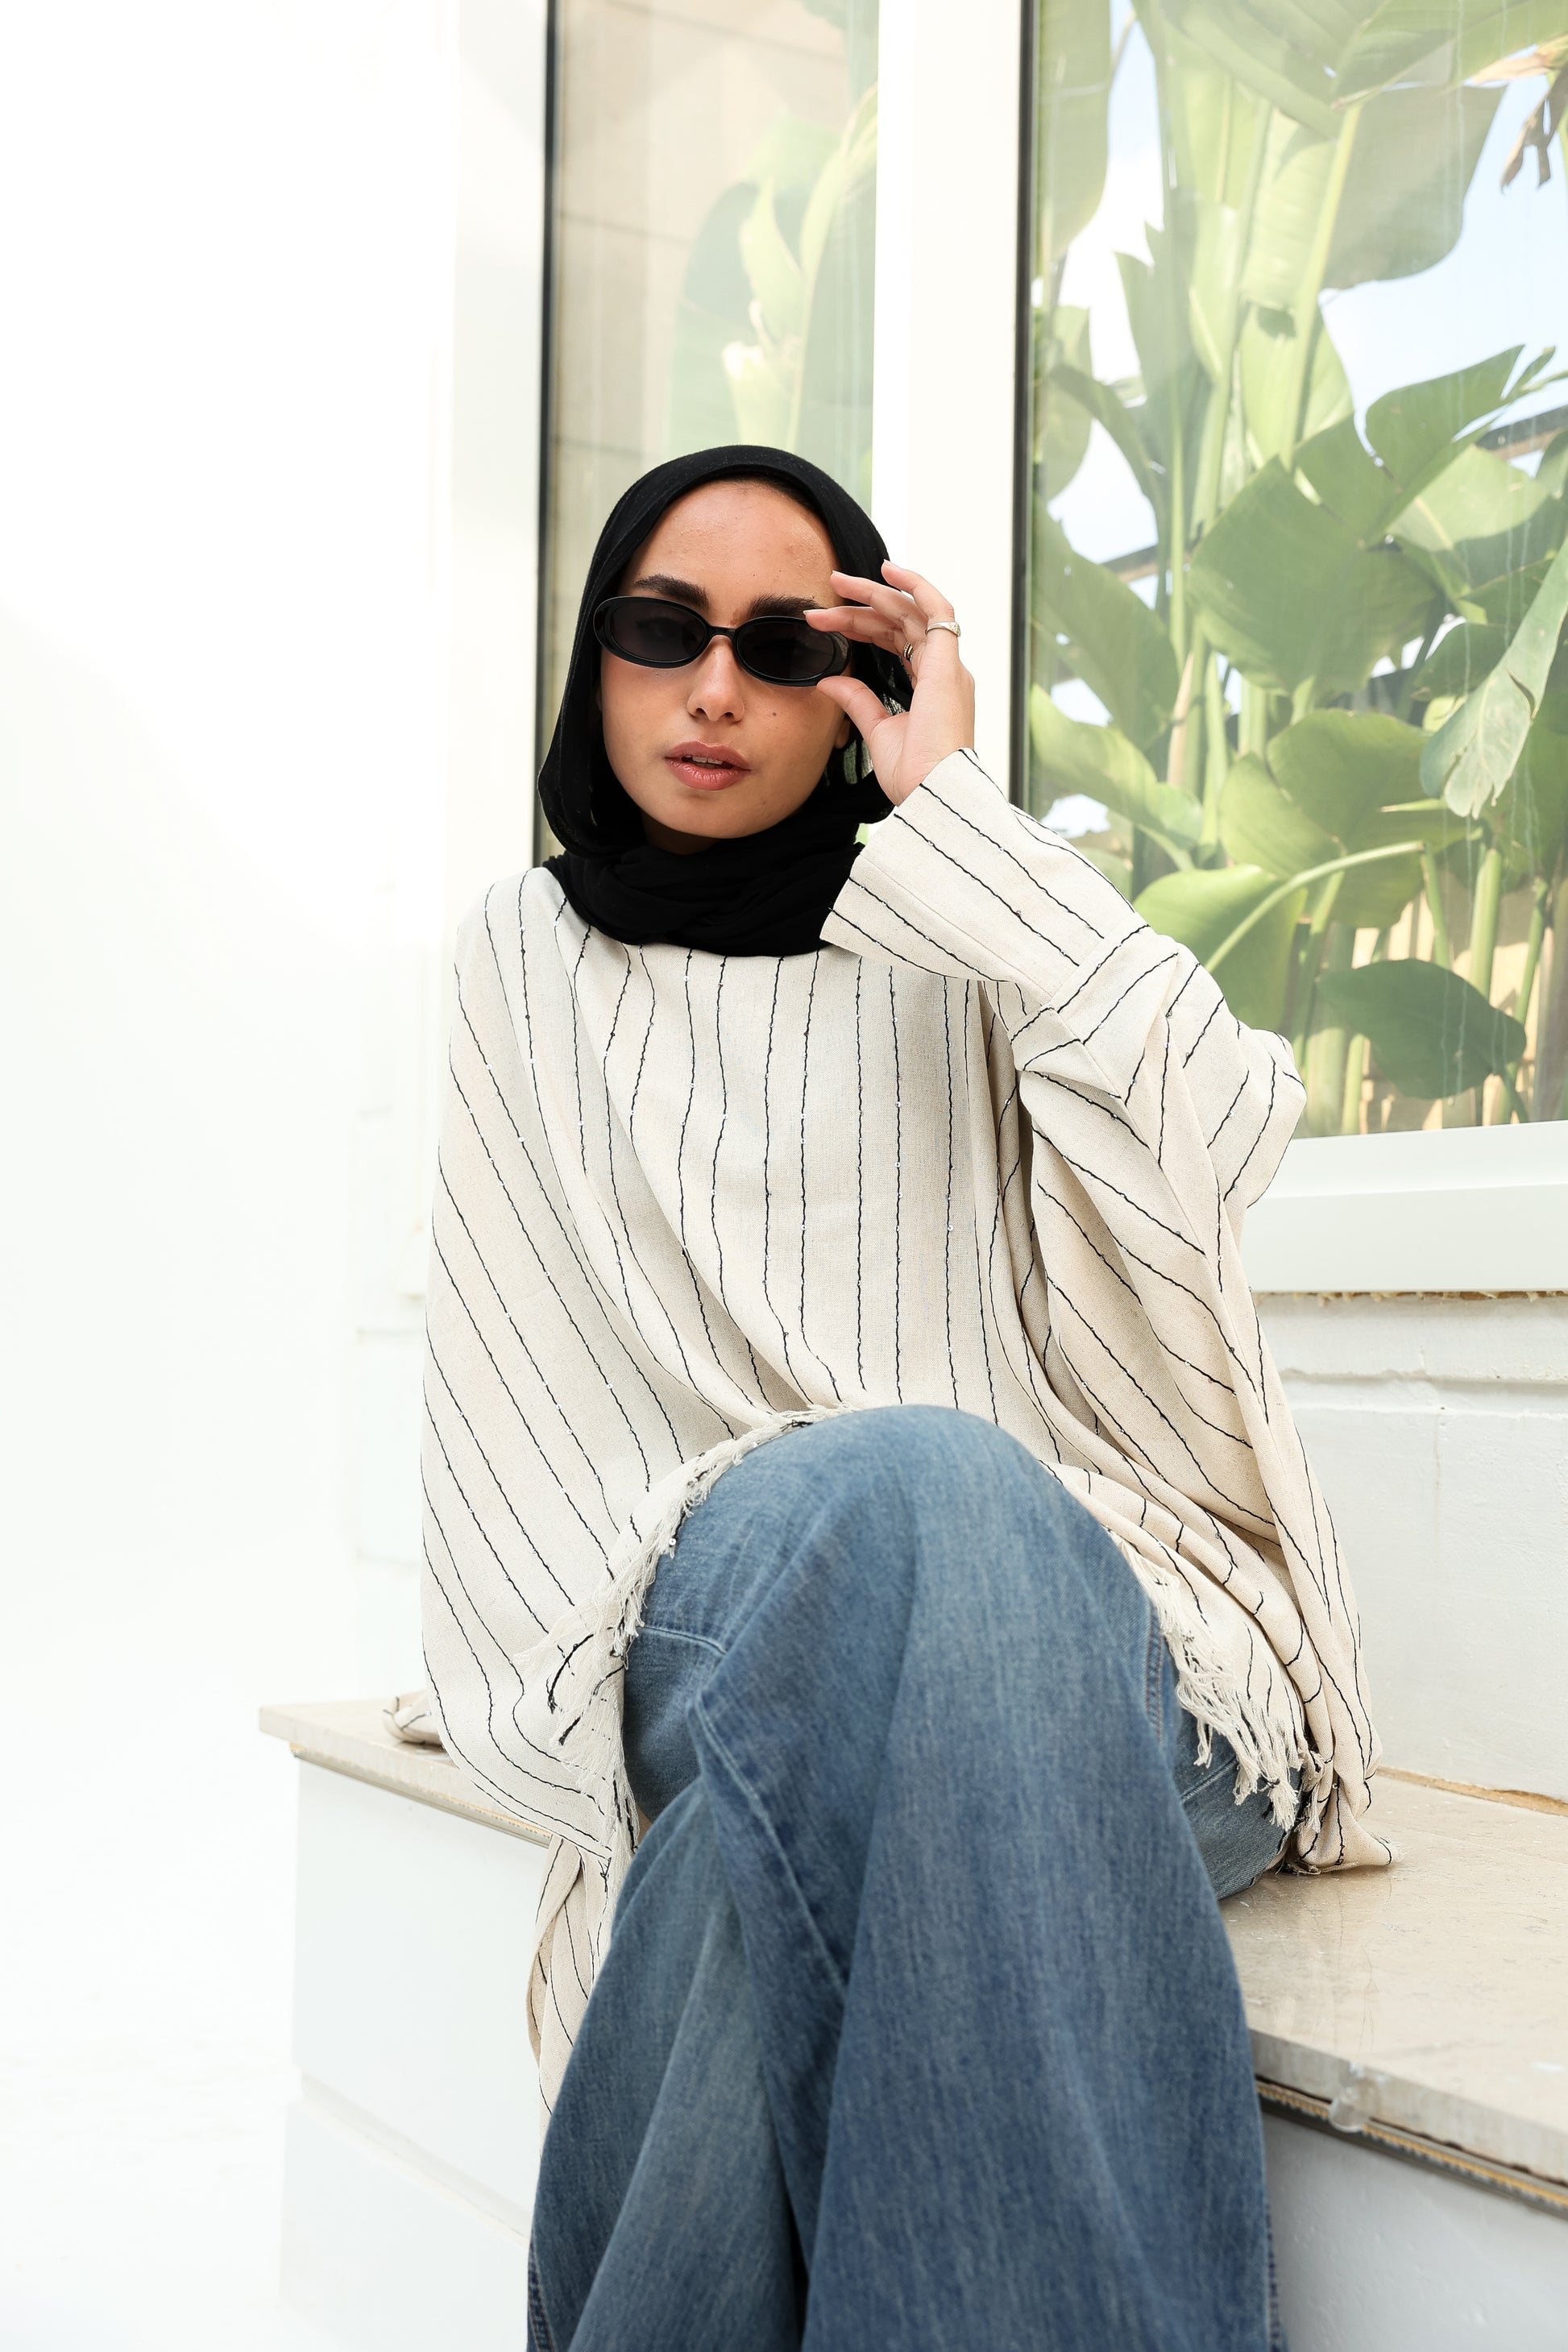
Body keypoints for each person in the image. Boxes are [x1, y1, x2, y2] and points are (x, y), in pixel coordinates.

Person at [420, 446, 1389, 2351]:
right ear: (593, 656)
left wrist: (958, 818)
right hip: (695, 1606)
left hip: (1092, 1654)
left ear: (857, 680)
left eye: (784, 646)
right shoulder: (522, 961)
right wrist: (860, 1512)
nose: (713, 687)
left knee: (754, 1859)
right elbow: (528, 1461)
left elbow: (1223, 1129)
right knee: (905, 1494)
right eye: (658, 629)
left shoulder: (957, 928)